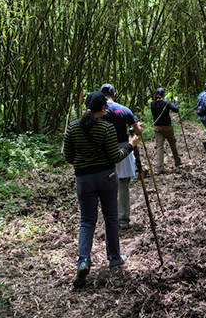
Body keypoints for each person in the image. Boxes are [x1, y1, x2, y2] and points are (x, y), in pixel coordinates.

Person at [63, 91, 139, 288]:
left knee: (87, 221)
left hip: (84, 179)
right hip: (107, 177)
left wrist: (84, 162)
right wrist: (130, 146)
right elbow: (115, 156)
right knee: (111, 217)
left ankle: (83, 261)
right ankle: (114, 257)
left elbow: (68, 157)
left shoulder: (73, 128)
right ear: (103, 109)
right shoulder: (106, 128)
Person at [100, 83, 143, 230]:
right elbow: (137, 132)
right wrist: (139, 128)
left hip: (103, 150)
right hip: (123, 147)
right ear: (114, 94)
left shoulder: (96, 111)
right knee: (123, 183)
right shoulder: (124, 109)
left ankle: (109, 218)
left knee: (106, 184)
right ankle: (123, 219)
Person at [150, 88, 182, 173]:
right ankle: (177, 161)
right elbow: (176, 109)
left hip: (157, 127)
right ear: (163, 95)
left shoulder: (152, 103)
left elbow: (153, 114)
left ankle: (160, 168)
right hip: (167, 126)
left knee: (160, 147)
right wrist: (176, 101)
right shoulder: (166, 102)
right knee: (172, 143)